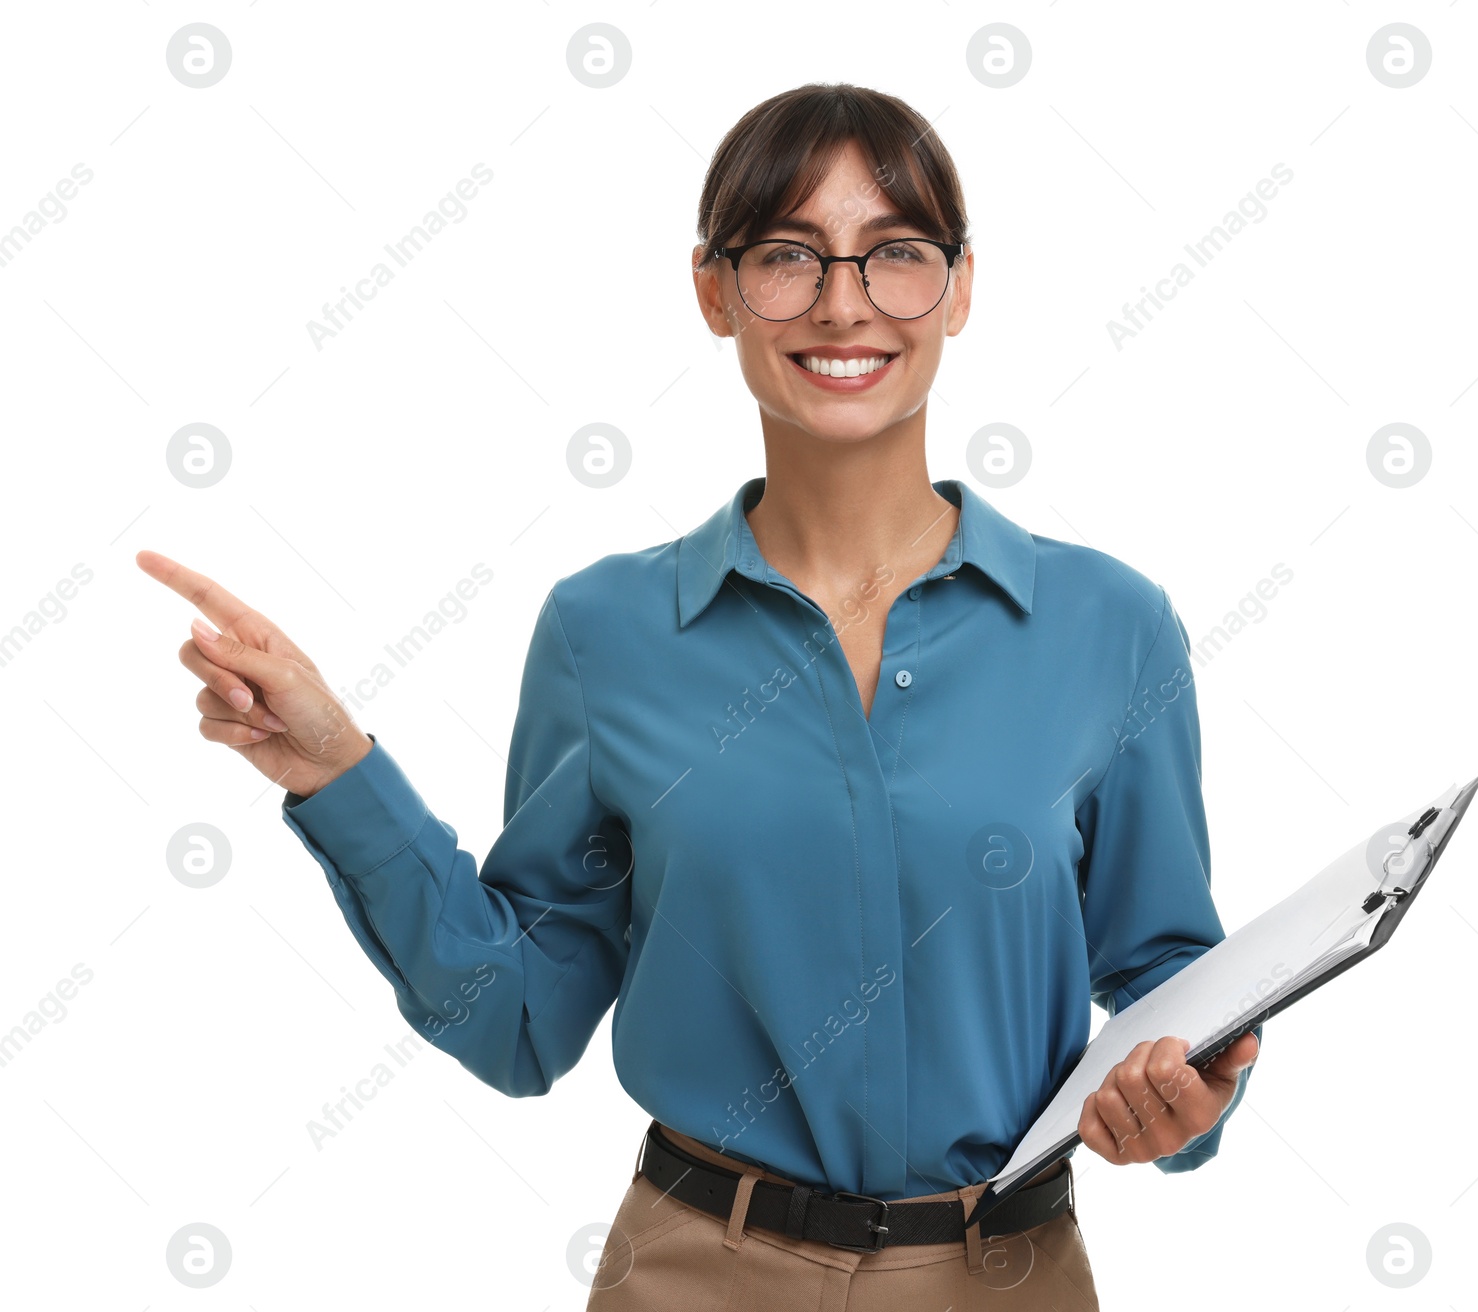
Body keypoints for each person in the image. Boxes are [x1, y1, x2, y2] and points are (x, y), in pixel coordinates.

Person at [138, 81, 1260, 1311]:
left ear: (961, 286)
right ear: (713, 291)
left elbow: (1172, 982)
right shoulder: (606, 632)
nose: (843, 303)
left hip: (1007, 1275)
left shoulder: (1108, 627)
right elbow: (518, 1019)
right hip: (695, 1275)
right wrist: (337, 772)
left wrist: (1189, 1099)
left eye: (895, 255)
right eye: (787, 256)